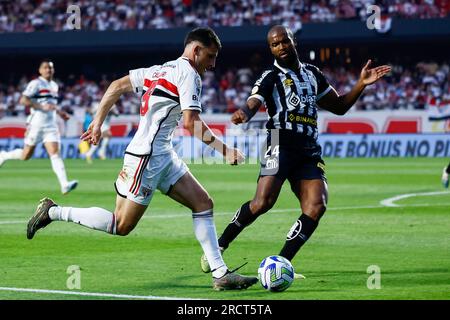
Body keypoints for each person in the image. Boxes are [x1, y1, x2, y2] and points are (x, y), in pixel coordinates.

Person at [26, 27, 258, 291]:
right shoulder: (189, 75)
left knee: (203, 203)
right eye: (211, 56)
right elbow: (191, 123)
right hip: (146, 158)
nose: (213, 64)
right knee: (121, 224)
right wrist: (225, 150)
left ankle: (220, 273)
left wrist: (99, 122)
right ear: (196, 50)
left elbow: (116, 86)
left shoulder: (159, 70)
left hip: (162, 154)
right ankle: (53, 211)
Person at [201, 25, 391, 273]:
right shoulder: (270, 76)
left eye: (284, 42)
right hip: (280, 141)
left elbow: (340, 106)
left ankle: (279, 264)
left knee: (316, 206)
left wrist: (361, 84)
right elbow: (253, 101)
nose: (280, 47)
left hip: (309, 148)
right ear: (270, 48)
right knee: (262, 203)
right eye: (274, 44)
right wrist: (244, 113)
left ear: (293, 42)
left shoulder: (313, 73)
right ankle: (220, 245)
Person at [0, 60, 78, 195]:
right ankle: (4, 155)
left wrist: (60, 112)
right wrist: (41, 107)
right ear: (40, 70)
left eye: (51, 68)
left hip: (51, 125)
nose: (48, 70)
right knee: (26, 155)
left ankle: (64, 184)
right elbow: (23, 100)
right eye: (46, 68)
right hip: (36, 124)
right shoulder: (36, 83)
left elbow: (50, 104)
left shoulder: (54, 85)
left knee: (55, 153)